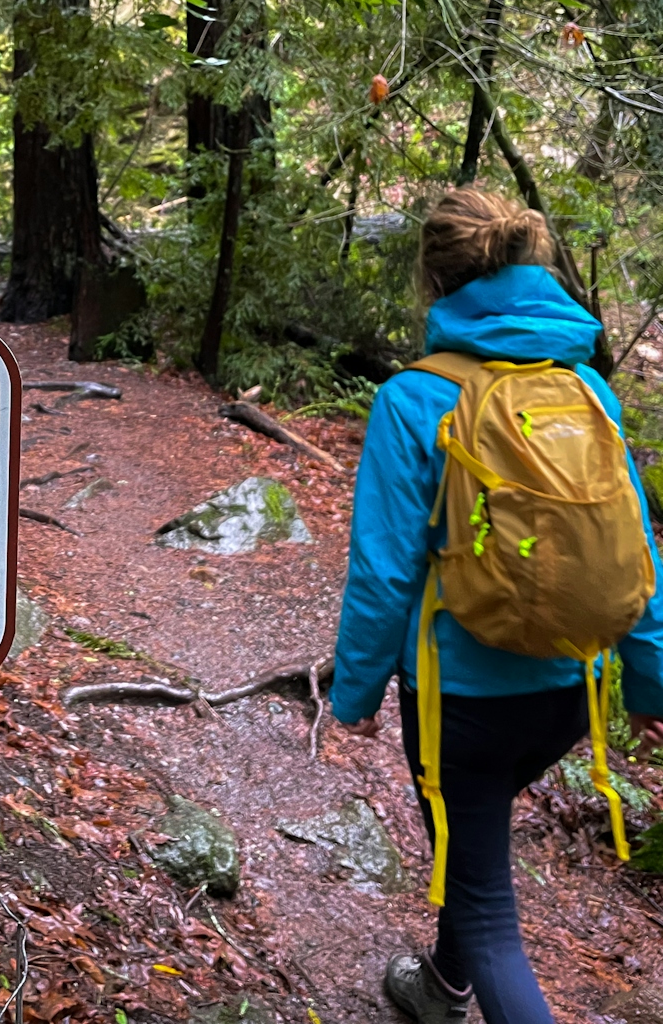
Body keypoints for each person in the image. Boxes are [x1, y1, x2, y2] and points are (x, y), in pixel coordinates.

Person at [330, 188, 663, 1024]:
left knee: (485, 907)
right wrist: (652, 682)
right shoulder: (588, 389)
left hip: (461, 702)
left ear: (435, 285)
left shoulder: (413, 399)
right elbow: (636, 551)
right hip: (568, 695)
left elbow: (383, 571)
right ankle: (442, 987)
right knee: (473, 848)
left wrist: (357, 693)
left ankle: (462, 974)